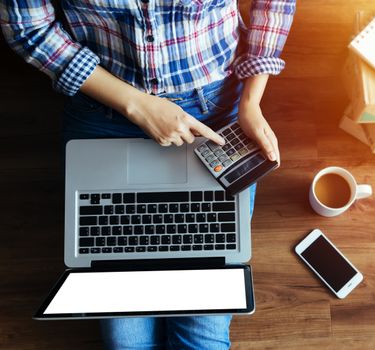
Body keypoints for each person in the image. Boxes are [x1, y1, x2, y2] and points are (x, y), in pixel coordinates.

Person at [1, 0, 296, 349]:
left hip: (212, 110)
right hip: (104, 109)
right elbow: (27, 26)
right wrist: (136, 104)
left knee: (202, 339)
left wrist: (251, 102)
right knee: (124, 344)